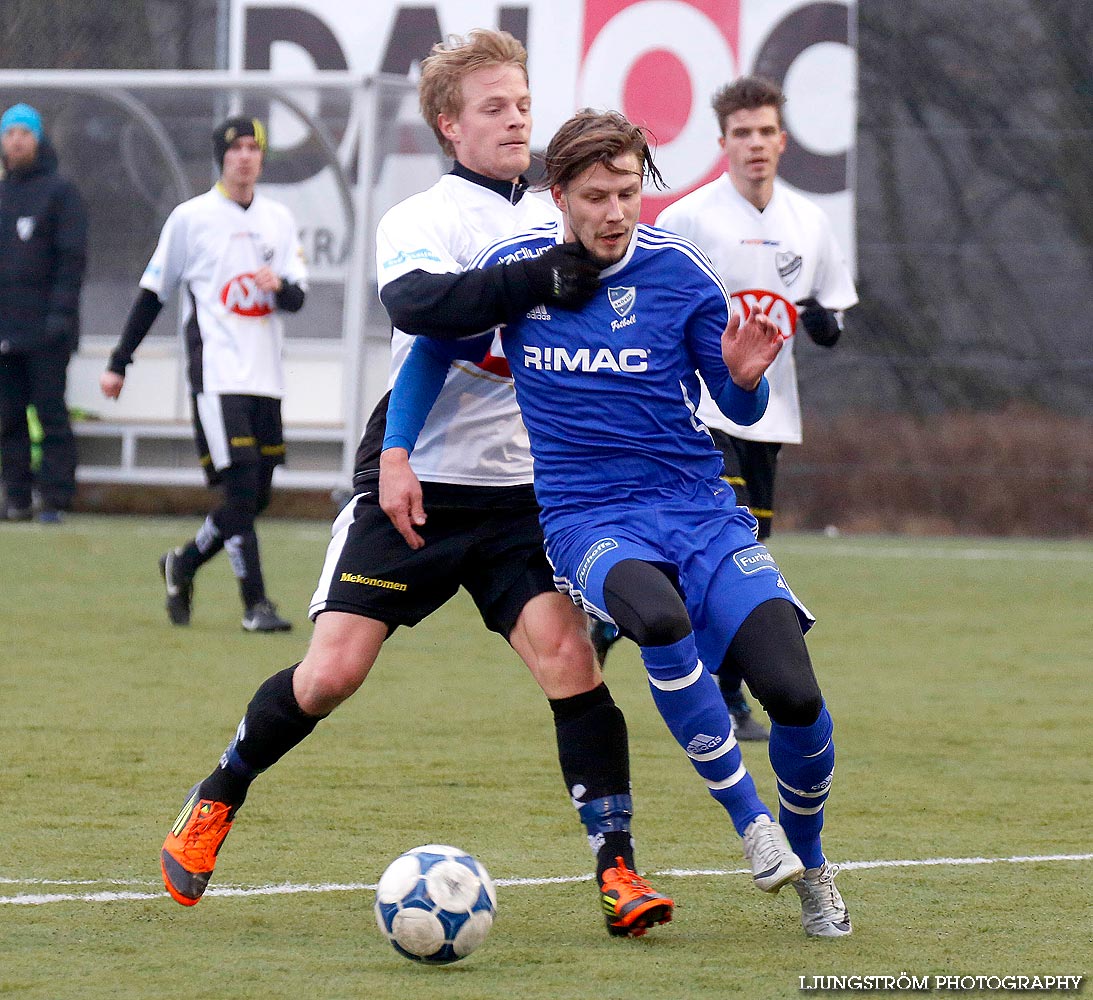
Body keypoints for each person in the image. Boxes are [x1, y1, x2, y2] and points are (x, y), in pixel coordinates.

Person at [157, 31, 673, 940]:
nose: (516, 118)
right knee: (329, 676)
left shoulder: (568, 211)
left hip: (521, 498)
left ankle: (617, 867)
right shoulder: (423, 217)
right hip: (417, 485)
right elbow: (421, 309)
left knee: (569, 663)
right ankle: (219, 790)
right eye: (493, 107)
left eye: (522, 101)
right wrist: (533, 277)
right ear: (449, 125)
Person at [382, 109, 852, 938]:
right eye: (594, 196)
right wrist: (395, 454)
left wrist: (745, 382)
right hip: (586, 519)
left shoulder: (680, 275)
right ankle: (751, 824)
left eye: (628, 193)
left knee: (796, 698)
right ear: (558, 195)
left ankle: (810, 863)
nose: (613, 212)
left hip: (699, 512)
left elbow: (732, 397)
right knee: (658, 620)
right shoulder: (520, 273)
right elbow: (430, 348)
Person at [590, 77, 859, 742]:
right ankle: (723, 697)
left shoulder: (809, 222)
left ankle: (636, 636)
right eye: (742, 133)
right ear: (723, 143)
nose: (755, 144)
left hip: (770, 415)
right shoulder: (689, 219)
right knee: (711, 553)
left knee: (744, 562)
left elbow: (830, 313)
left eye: (765, 131)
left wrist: (826, 325)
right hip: (700, 414)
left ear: (781, 140)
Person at [100, 116, 307, 632]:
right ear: (221, 156)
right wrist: (119, 360)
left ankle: (184, 562)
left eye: (253, 148)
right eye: (235, 147)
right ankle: (255, 605)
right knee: (239, 492)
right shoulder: (190, 218)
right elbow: (153, 293)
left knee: (256, 496)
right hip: (216, 375)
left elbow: (297, 298)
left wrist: (277, 283)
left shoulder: (279, 219)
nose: (245, 156)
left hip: (266, 378)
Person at [0, 103, 87, 524]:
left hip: (48, 330)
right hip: (6, 330)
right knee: (8, 416)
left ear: (38, 140)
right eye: (10, 133)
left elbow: (72, 260)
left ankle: (54, 499)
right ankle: (15, 498)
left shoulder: (61, 192)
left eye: (25, 133)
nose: (16, 141)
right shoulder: (2, 194)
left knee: (50, 412)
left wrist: (60, 316)